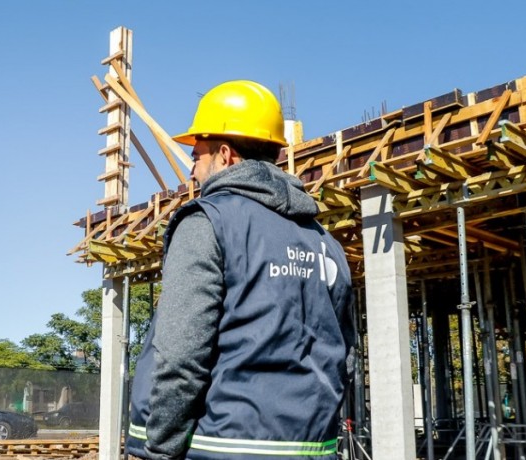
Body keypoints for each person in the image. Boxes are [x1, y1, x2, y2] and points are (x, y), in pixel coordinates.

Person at [126, 81, 355, 460]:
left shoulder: (209, 222)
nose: (193, 171)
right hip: (313, 449)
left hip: (225, 447)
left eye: (197, 155)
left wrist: (159, 447)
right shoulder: (324, 243)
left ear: (226, 154)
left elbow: (180, 353)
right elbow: (344, 355)